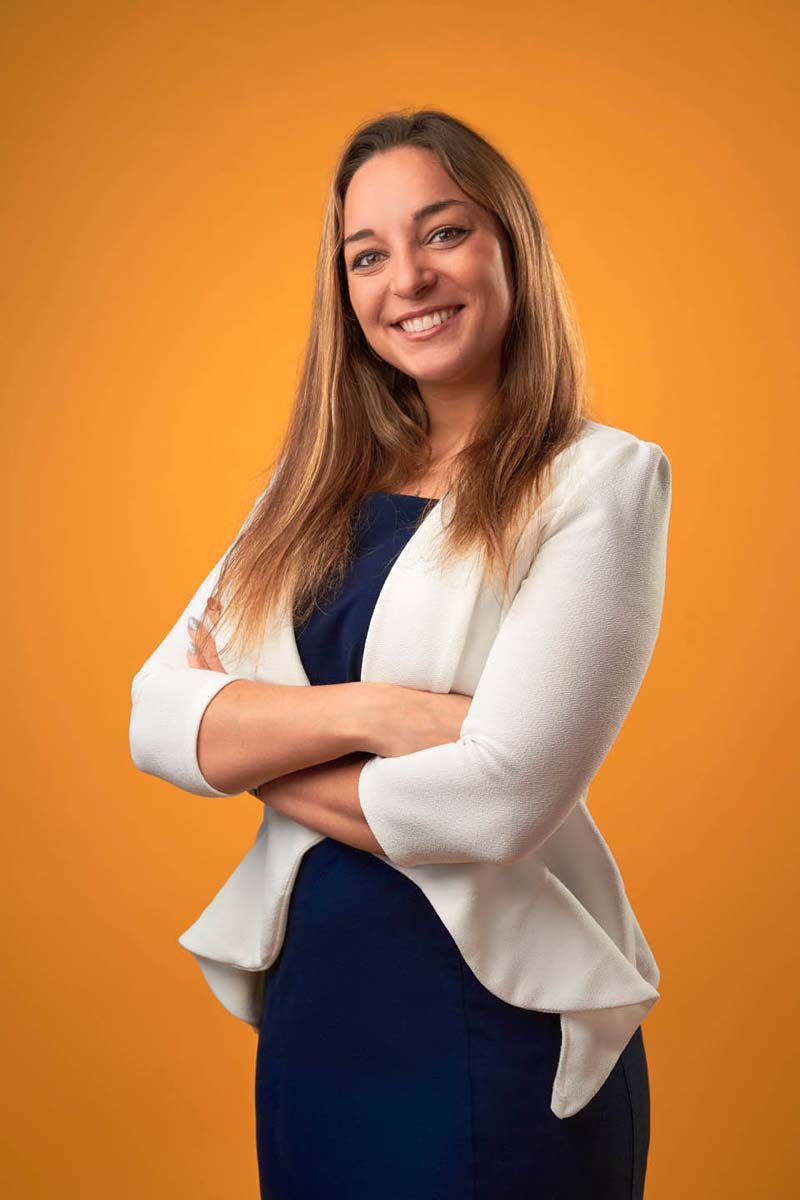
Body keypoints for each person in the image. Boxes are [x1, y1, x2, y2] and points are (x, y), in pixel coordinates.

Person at [129, 108, 672, 1199]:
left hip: (492, 1024)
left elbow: (494, 804)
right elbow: (152, 716)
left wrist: (248, 747)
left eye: (442, 233)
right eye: (366, 255)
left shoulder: (599, 481)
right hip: (314, 1021)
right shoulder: (308, 486)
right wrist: (381, 716)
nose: (406, 279)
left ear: (506, 243)